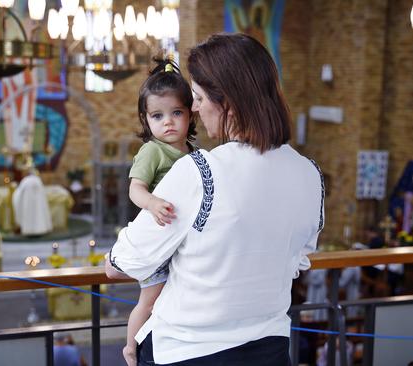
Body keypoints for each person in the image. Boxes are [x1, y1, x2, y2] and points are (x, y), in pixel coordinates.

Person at [106, 33, 325, 365]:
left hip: (190, 350)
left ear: (229, 103)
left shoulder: (199, 171)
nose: (194, 108)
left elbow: (127, 261)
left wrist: (117, 251)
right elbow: (297, 260)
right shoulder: (309, 174)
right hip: (270, 349)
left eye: (198, 97)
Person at [123, 57, 197, 366]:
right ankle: (130, 347)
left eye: (176, 113)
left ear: (191, 115)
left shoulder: (195, 153)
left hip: (181, 241)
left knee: (176, 297)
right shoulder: (152, 151)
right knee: (150, 299)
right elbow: (135, 189)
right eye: (158, 115)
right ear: (146, 119)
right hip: (157, 237)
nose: (168, 122)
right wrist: (152, 202)